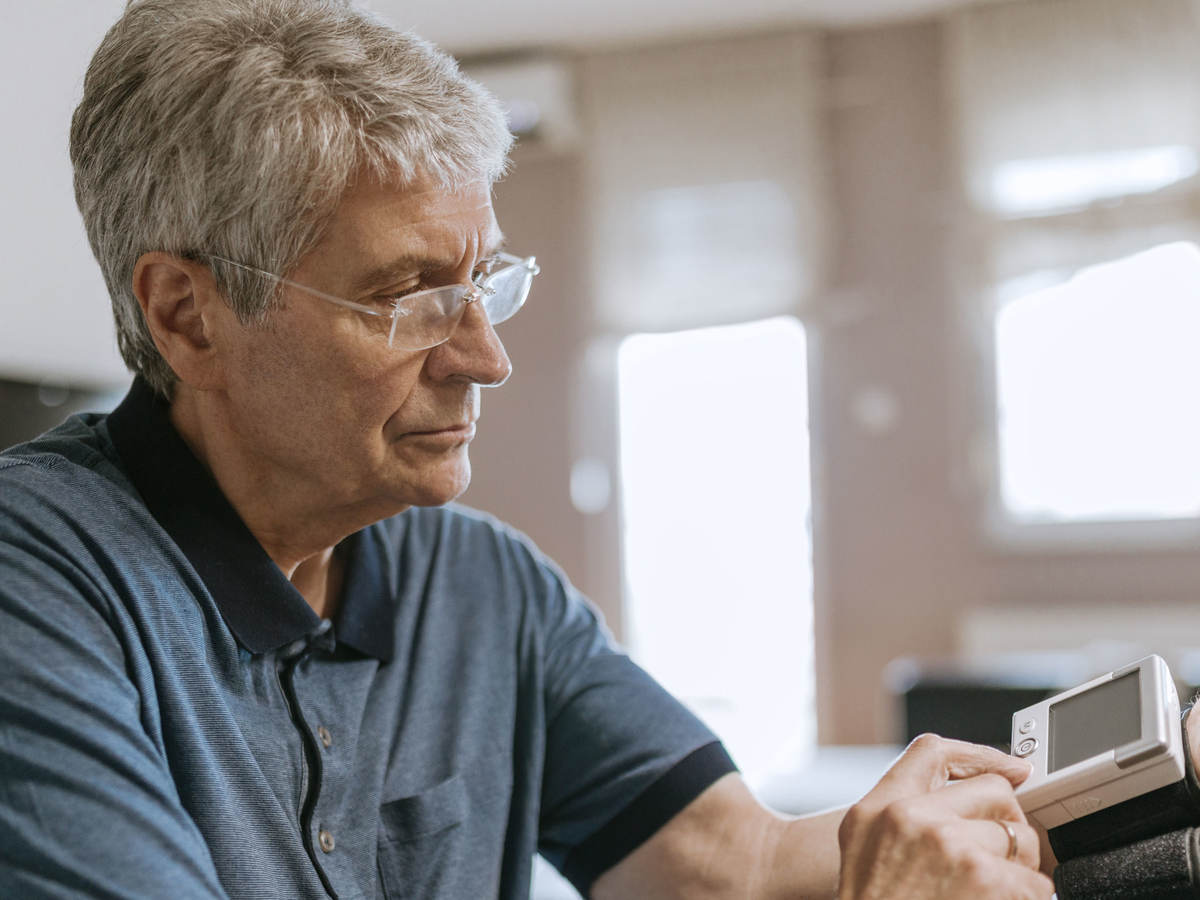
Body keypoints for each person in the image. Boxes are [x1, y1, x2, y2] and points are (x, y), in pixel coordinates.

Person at [0, 1, 1054, 897]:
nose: (486, 357)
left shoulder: (483, 584)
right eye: (411, 298)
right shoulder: (37, 582)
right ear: (190, 316)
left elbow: (741, 859)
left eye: (485, 283)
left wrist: (1117, 782)